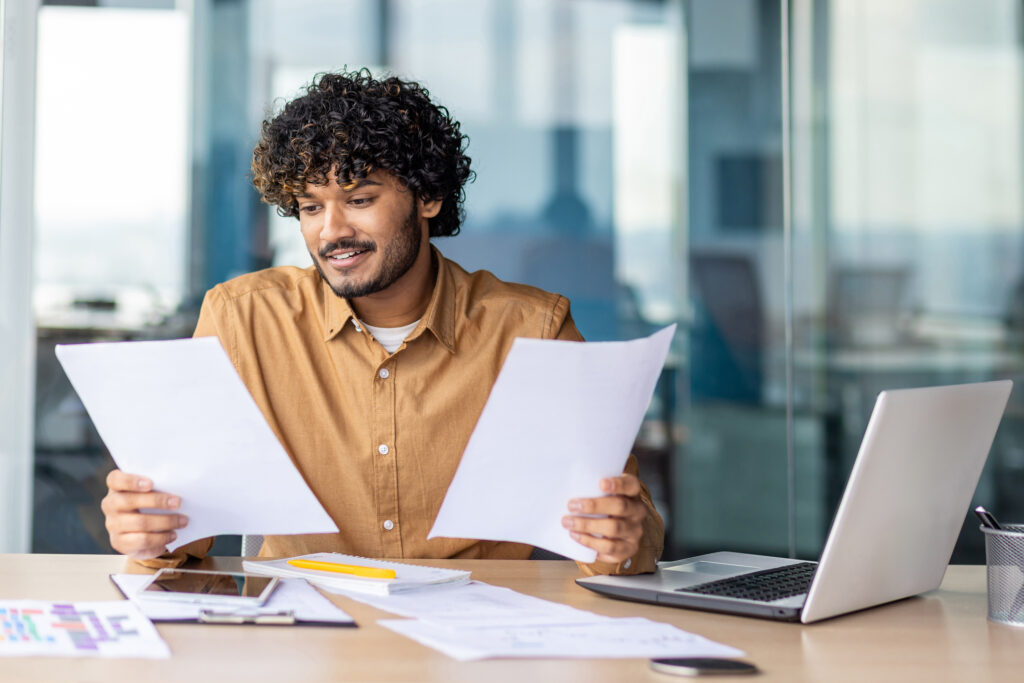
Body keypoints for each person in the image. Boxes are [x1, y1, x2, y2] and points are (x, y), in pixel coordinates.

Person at [100, 69, 664, 575]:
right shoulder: (244, 318)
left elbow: (620, 529)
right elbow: (179, 535)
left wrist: (622, 539)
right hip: (302, 636)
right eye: (311, 207)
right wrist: (148, 531)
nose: (331, 231)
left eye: (360, 198)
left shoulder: (531, 329)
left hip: (474, 638)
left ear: (429, 196)